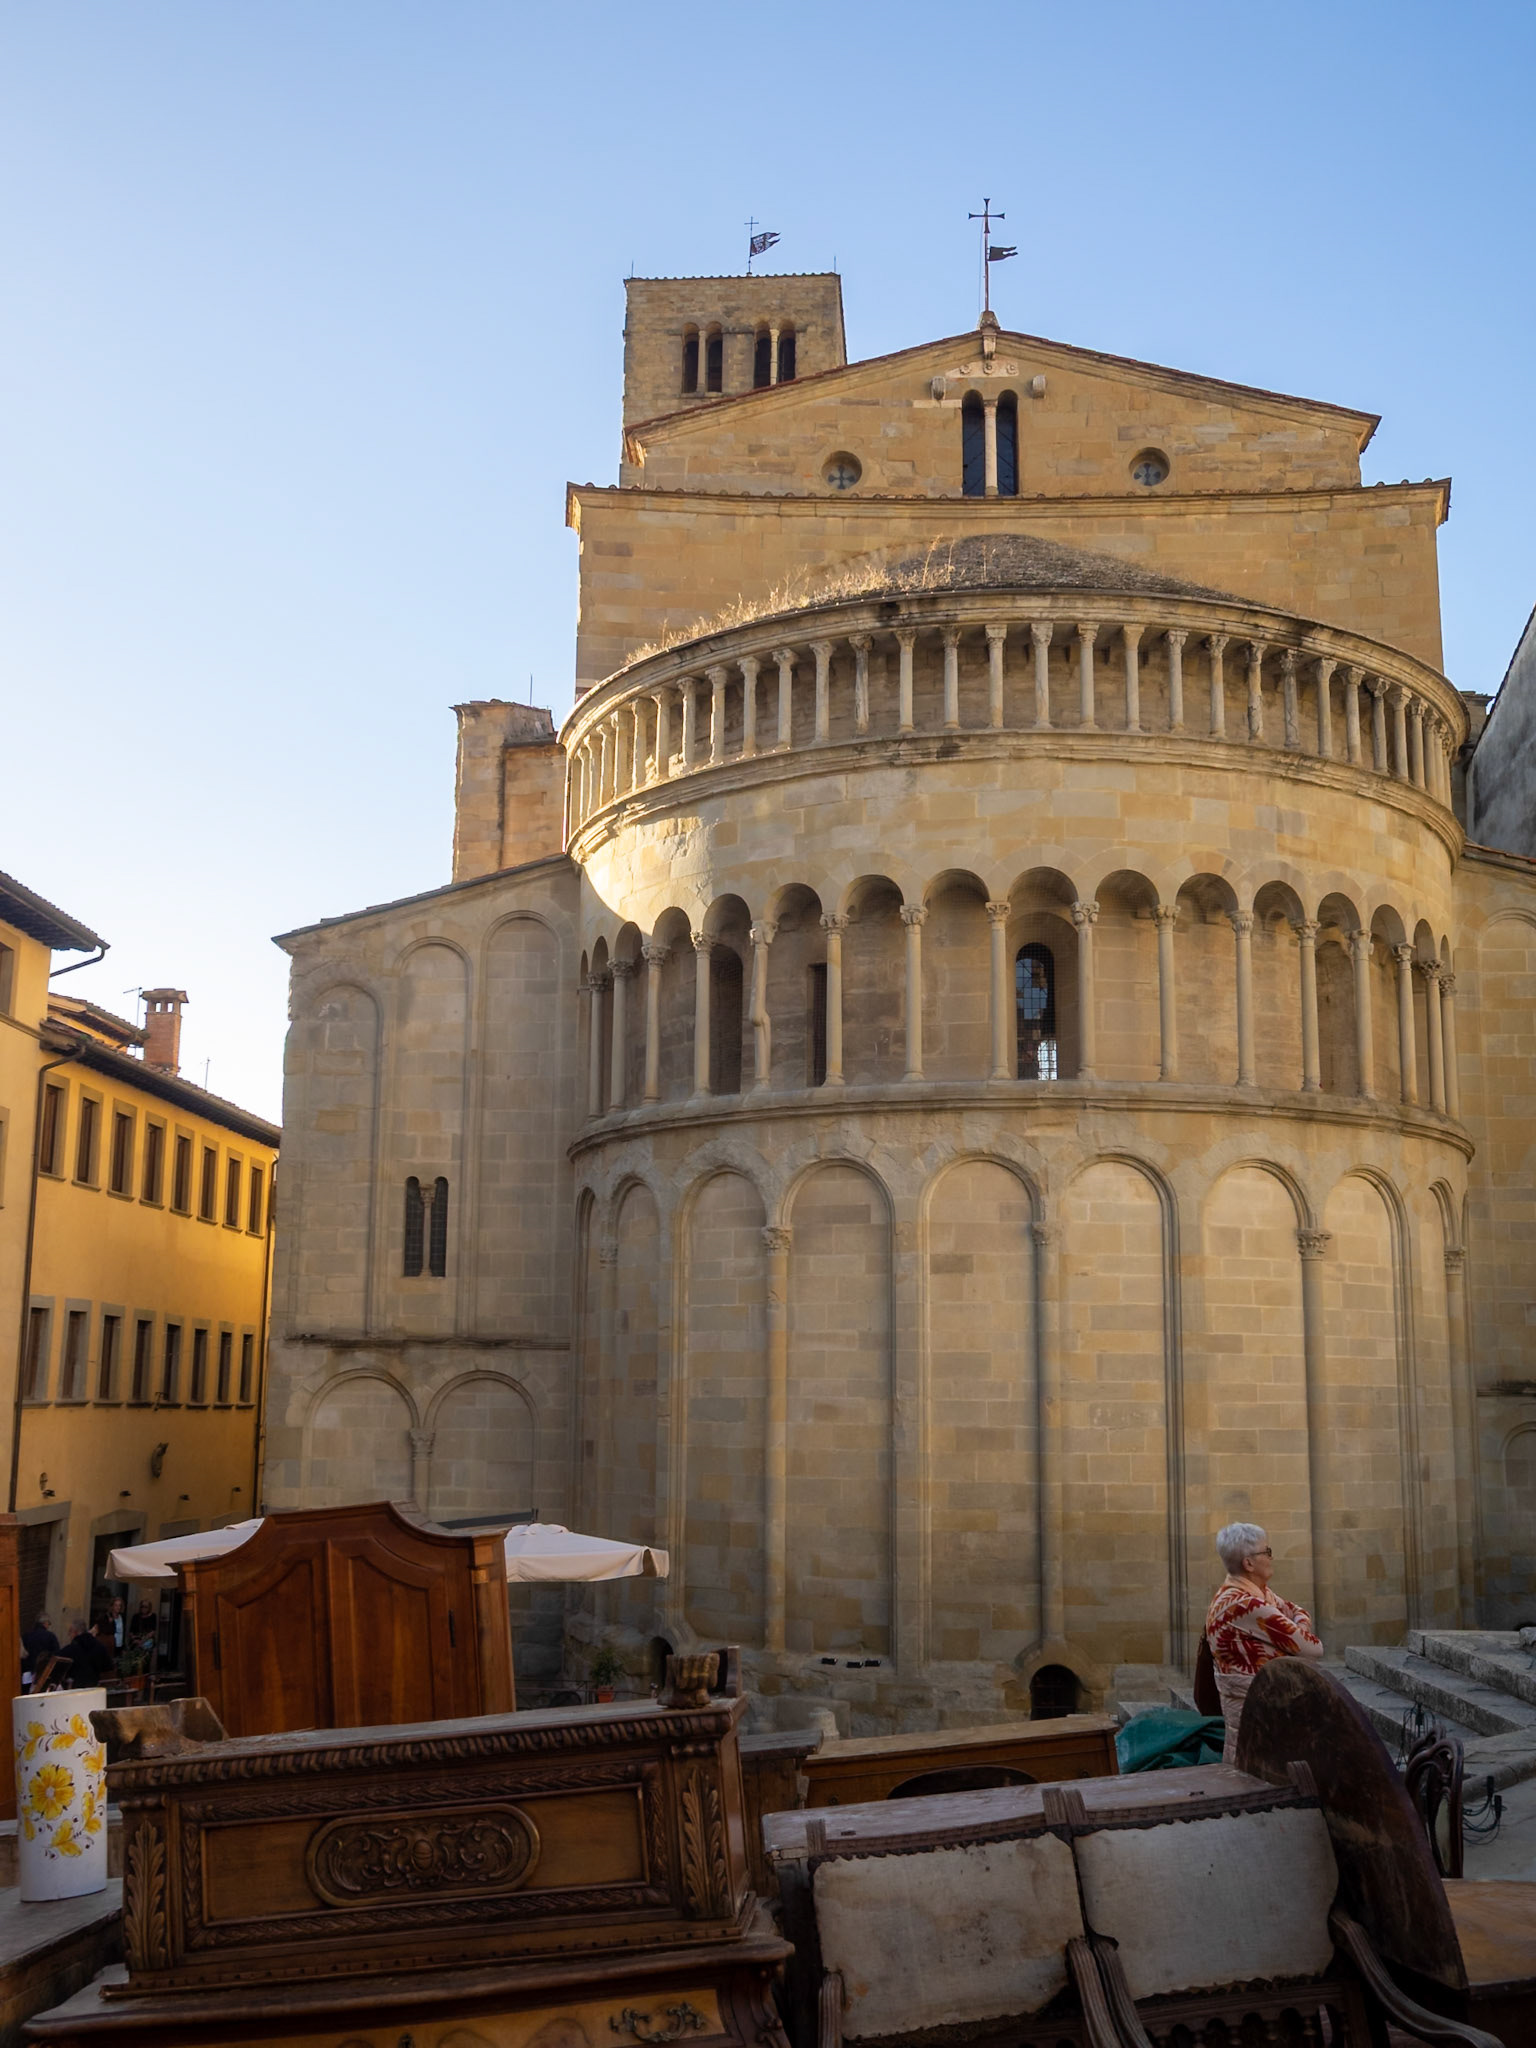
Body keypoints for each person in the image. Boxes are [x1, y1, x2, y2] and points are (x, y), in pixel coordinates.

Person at [1204, 1522, 1323, 1765]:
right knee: (1257, 1774)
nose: (1271, 1557)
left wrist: (1293, 1633)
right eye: (1266, 1552)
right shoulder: (1246, 1605)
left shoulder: (1250, 1594)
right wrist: (1295, 1636)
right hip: (1256, 1711)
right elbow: (1313, 1648)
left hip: (1257, 1706)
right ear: (1249, 1563)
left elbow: (1298, 1611)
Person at [61, 1618, 114, 1689]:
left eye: (70, 1631)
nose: (68, 1634)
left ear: (76, 1632)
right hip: (94, 1686)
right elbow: (108, 1666)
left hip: (75, 1688)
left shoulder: (71, 1649)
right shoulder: (100, 1647)